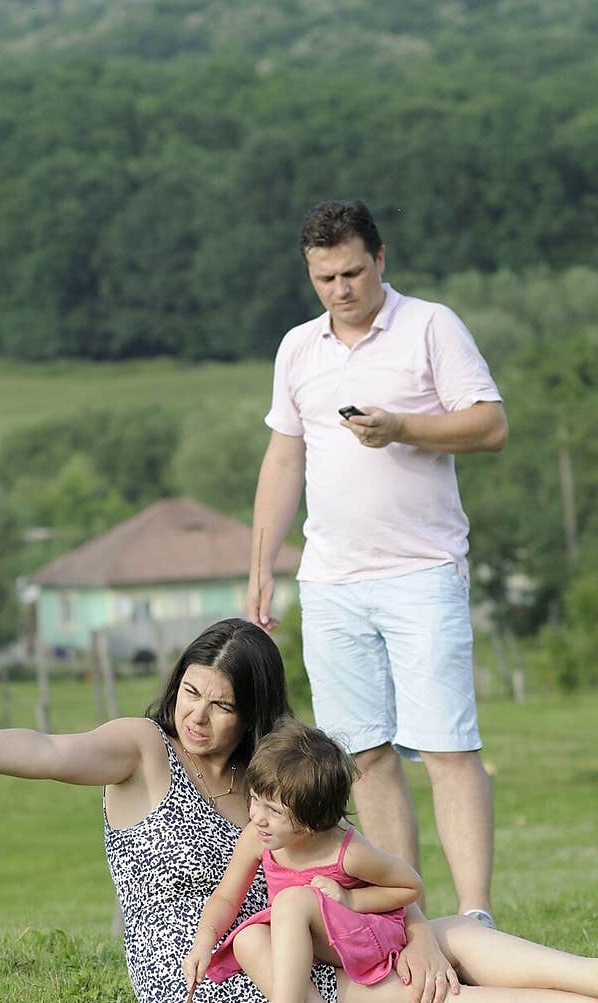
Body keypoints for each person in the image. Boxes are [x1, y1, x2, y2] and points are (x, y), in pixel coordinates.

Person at [0, 617, 598, 1003]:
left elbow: (357, 864)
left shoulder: (277, 775)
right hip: (216, 982)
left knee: (458, 941)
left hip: (314, 942)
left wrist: (418, 932)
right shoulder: (142, 751)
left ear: (253, 713)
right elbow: (43, 750)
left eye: (222, 706)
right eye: (191, 692)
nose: (198, 717)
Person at [246, 198, 508, 928]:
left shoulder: (431, 326)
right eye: (325, 276)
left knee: (449, 747)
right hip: (330, 582)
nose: (341, 288)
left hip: (422, 570)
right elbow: (284, 452)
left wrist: (402, 429)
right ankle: (410, 922)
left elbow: (490, 424)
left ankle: (477, 917)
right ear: (310, 273)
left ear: (380, 258)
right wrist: (261, 560)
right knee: (363, 756)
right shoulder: (297, 349)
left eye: (353, 271)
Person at [182, 718, 422, 1003]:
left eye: (274, 811)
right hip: (317, 936)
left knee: (293, 901)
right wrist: (205, 939)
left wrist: (350, 897)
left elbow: (409, 886)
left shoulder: (348, 852)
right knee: (248, 937)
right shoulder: (258, 837)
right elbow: (226, 896)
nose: (258, 817)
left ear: (312, 822)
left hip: (364, 937)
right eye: (254, 800)